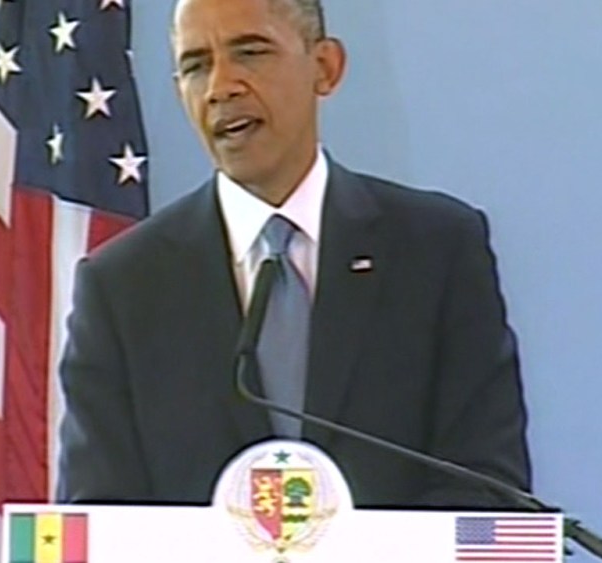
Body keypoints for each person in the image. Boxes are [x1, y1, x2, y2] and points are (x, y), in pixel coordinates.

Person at [56, 0, 530, 508]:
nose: (221, 87)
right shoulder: (123, 284)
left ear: (325, 67)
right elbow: (98, 514)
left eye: (250, 52)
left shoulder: (438, 250)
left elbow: (487, 490)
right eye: (196, 66)